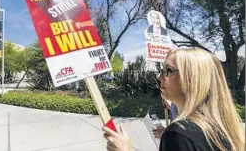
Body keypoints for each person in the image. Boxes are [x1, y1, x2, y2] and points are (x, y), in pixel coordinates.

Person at [103, 47, 244, 151]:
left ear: (192, 80)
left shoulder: (179, 134)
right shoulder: (224, 128)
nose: (159, 77)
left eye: (168, 70)